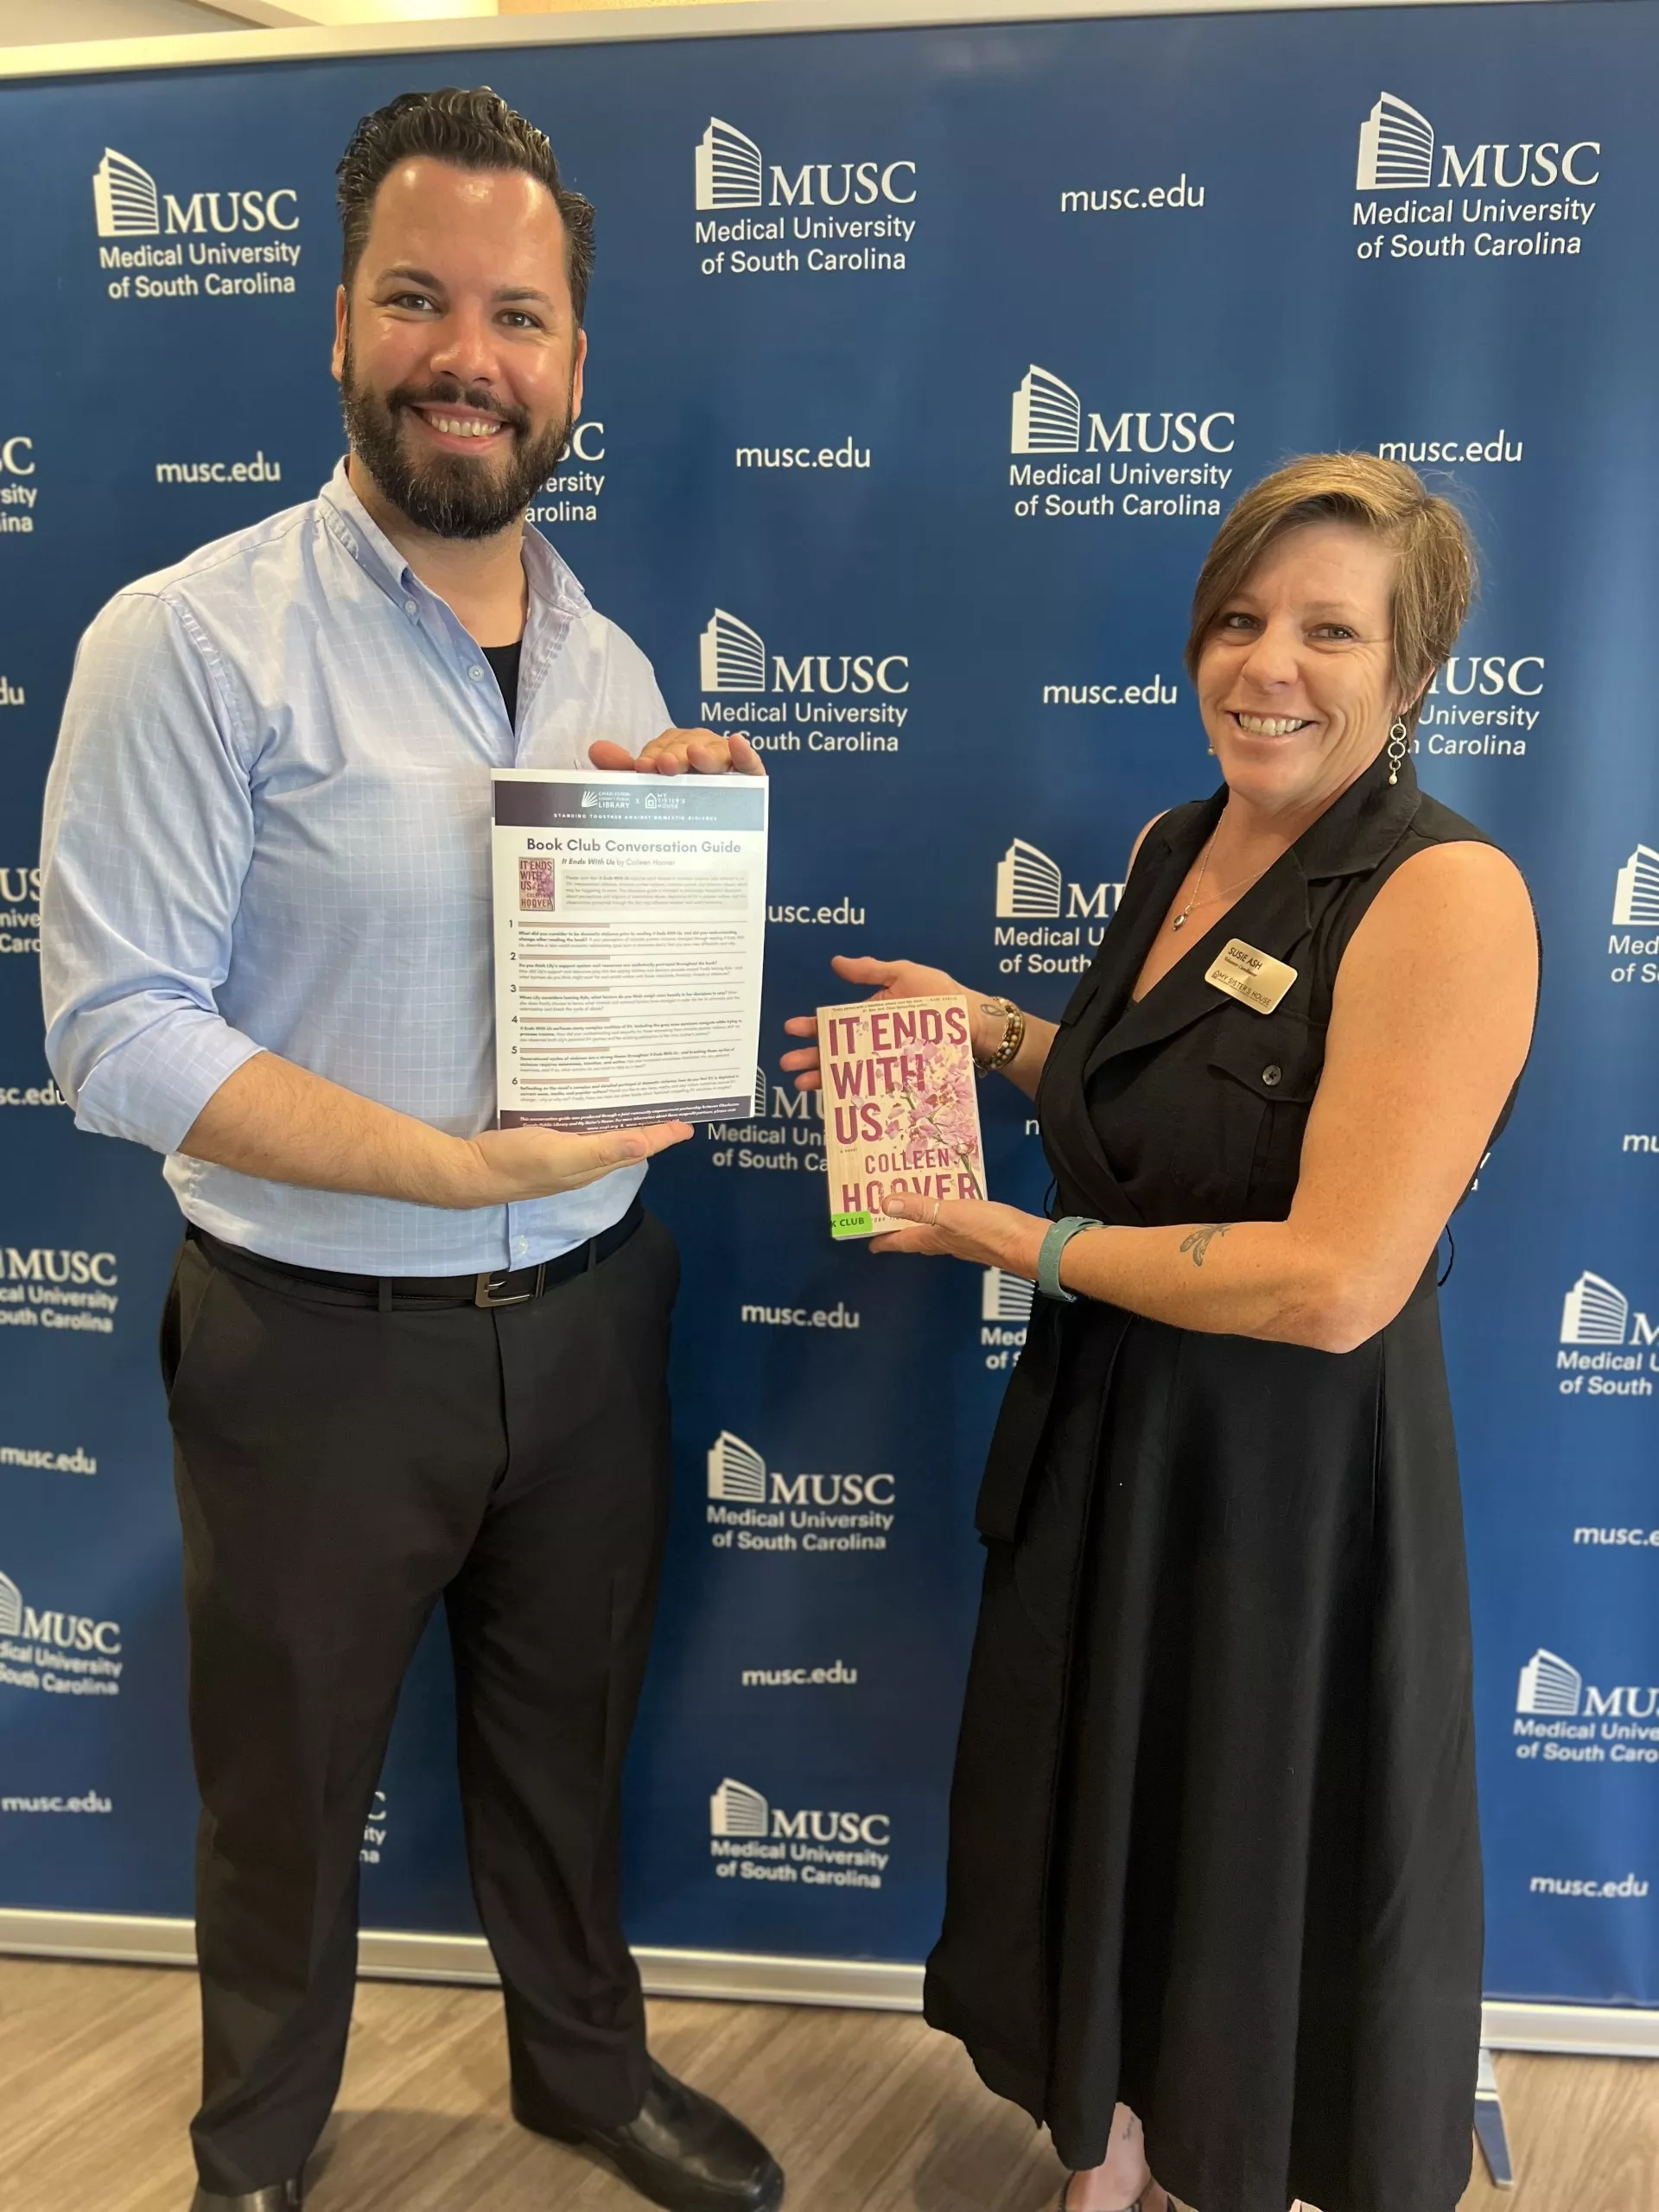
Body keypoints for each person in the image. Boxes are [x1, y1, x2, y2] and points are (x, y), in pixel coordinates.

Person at [41, 88, 780, 2212]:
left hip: (588, 1314)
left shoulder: (615, 659)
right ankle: (256, 2150)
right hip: (312, 1333)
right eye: (422, 301)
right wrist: (440, 1170)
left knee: (565, 1744)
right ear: (342, 327)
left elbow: (606, 971)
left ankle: (582, 2071)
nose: (472, 352)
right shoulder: (188, 639)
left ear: (574, 364)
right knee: (284, 1783)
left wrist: (679, 818)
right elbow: (114, 1028)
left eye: (520, 315)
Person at [784, 454, 1538, 2212]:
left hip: (1284, 1477)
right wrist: (990, 1029)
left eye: (1330, 629)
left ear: (1411, 670)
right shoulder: (1168, 845)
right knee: (1107, 1800)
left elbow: (1335, 1272)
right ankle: (1115, 2129)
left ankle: (1239, 2151)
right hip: (1111, 1421)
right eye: (1240, 616)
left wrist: (1013, 1236)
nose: (1268, 660)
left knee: (1246, 1830)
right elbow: (1158, 1113)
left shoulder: (1445, 894)